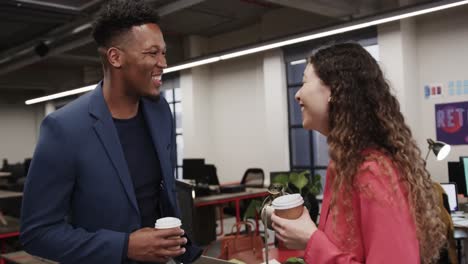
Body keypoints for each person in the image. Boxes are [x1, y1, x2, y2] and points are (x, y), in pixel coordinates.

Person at [20, 0, 202, 263]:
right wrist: (124, 246)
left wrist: (187, 251)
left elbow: (163, 195)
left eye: (163, 52)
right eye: (152, 53)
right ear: (115, 57)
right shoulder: (64, 128)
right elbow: (37, 233)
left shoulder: (160, 111)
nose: (163, 63)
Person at [271, 43, 447, 264]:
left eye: (304, 82)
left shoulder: (372, 172)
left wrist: (311, 241)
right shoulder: (343, 166)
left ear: (333, 90)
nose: (297, 95)